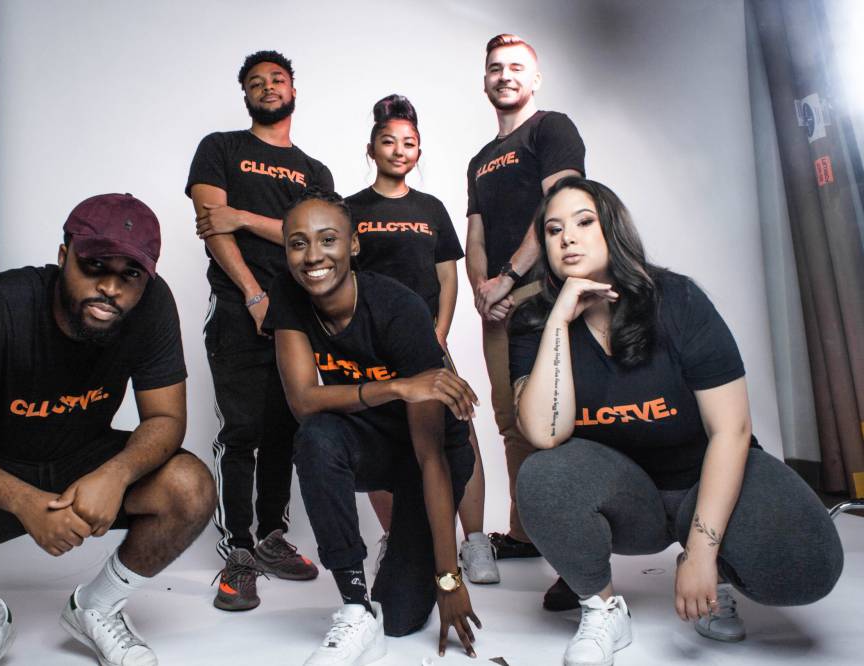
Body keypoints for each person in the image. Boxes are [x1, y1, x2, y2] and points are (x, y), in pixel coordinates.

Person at [0, 193, 217, 666]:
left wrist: (115, 474)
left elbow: (166, 419)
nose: (110, 287)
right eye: (94, 266)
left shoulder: (152, 306)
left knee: (189, 487)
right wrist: (23, 501)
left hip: (81, 462)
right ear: (63, 255)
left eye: (129, 274)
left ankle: (95, 608)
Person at [508, 177, 844, 666]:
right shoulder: (535, 321)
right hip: (630, 501)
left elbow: (731, 430)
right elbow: (544, 433)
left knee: (811, 563)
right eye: (554, 230)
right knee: (542, 475)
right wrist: (559, 322)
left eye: (584, 222)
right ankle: (603, 609)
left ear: (613, 230)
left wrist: (703, 555)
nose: (568, 238)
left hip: (703, 480)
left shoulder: (677, 301)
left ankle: (716, 578)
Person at [263, 188, 482, 665]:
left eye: (327, 240)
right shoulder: (289, 295)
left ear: (353, 245)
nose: (313, 256)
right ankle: (354, 604)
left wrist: (449, 576)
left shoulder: (398, 308)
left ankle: (408, 552)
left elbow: (431, 456)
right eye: (298, 243)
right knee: (316, 436)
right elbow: (303, 401)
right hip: (368, 441)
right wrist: (398, 387)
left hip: (429, 454)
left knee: (402, 621)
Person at [186, 49, 334, 610]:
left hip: (299, 317)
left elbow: (319, 238)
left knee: (286, 432)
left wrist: (246, 217)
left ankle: (273, 537)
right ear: (244, 94)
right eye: (256, 82)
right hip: (236, 308)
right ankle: (239, 552)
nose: (267, 87)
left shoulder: (314, 171)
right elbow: (210, 225)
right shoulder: (221, 148)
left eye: (276, 79)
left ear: (293, 87)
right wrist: (252, 292)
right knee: (242, 429)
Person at [346, 94, 499, 585]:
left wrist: (438, 330)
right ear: (371, 148)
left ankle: (475, 542)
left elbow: (447, 275)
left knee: (458, 429)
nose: (399, 150)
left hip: (425, 337)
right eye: (388, 141)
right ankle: (398, 540)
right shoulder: (350, 208)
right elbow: (341, 278)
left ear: (418, 151)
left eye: (409, 143)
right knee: (382, 436)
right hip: (370, 345)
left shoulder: (430, 208)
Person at [466, 32, 587, 609]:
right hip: (498, 302)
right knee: (512, 419)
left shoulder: (551, 128)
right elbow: (476, 233)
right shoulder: (479, 159)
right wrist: (482, 291)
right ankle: (524, 533)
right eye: (495, 68)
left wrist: (511, 279)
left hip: (545, 295)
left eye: (516, 67)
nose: (505, 75)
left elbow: (558, 208)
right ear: (484, 80)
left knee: (557, 422)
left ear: (534, 80)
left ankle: (576, 554)